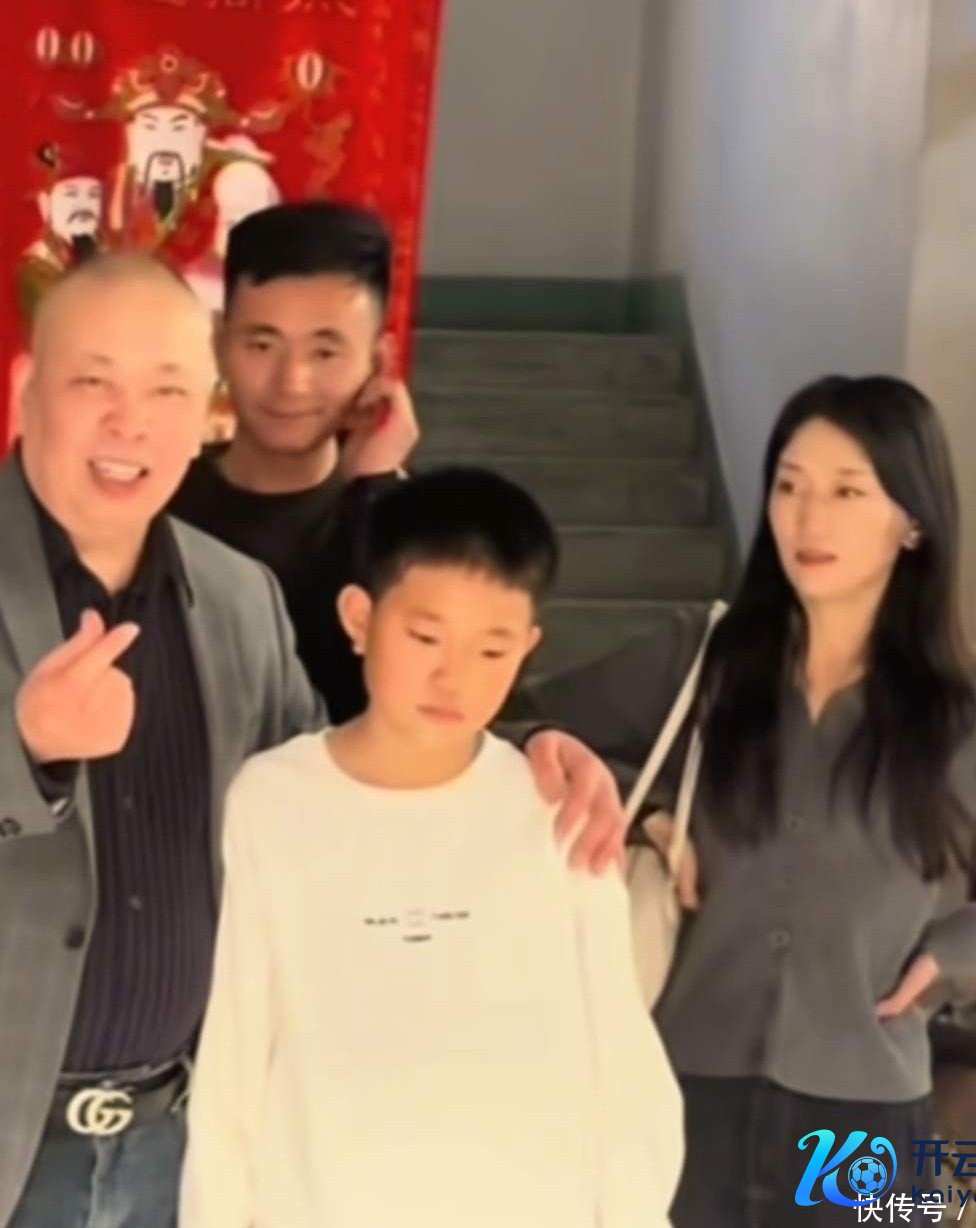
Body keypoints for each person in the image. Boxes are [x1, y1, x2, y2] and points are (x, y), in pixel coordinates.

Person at [0, 254, 624, 1228]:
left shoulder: (237, 597)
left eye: (166, 390)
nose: (130, 423)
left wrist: (527, 747)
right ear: (27, 389)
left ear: (204, 411)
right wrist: (25, 755)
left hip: (181, 1147)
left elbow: (340, 775)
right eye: (94, 383)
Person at [519, 375, 976, 1227]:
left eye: (847, 492)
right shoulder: (701, 658)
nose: (808, 519)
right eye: (789, 485)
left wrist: (963, 940)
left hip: (863, 1125)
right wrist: (649, 805)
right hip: (682, 1099)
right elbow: (515, 726)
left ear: (914, 521)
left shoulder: (973, 701)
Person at [180, 467, 684, 1228]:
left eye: (492, 651)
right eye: (424, 637)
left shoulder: (557, 808)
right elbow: (234, 1061)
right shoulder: (272, 804)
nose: (453, 678)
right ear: (359, 618)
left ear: (529, 647)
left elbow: (620, 1060)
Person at [169, 200, 419, 722]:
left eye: (324, 352)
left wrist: (373, 492)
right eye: (262, 345)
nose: (292, 383)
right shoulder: (156, 506)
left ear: (378, 361)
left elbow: (426, 703)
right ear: (219, 343)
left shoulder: (413, 524)